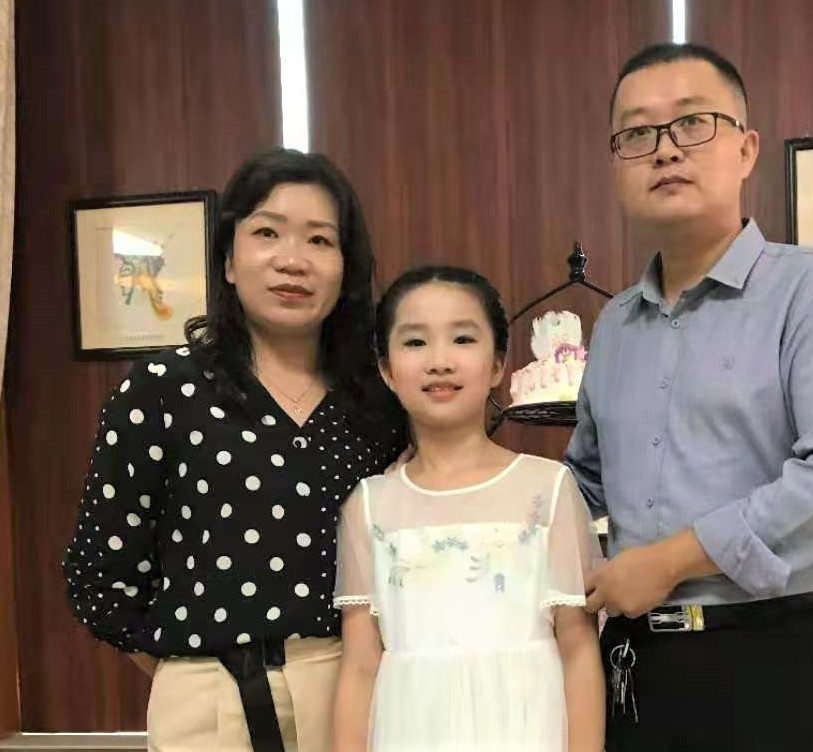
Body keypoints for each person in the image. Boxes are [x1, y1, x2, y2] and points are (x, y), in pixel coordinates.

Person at [564, 43, 813, 751]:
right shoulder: (615, 324)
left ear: (746, 150)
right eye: (637, 133)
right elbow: (585, 483)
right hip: (642, 666)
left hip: (787, 656)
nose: (664, 149)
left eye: (692, 123)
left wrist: (671, 560)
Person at [63, 147, 406, 752]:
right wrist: (192, 677)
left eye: (320, 240)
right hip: (206, 699)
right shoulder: (163, 389)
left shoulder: (380, 404)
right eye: (267, 233)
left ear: (346, 268)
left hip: (355, 691)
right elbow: (100, 575)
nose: (292, 260)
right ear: (228, 259)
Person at [332, 266, 605, 751]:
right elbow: (359, 666)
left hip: (528, 731)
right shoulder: (370, 505)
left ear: (498, 364)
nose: (440, 361)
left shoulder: (548, 488)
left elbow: (579, 649)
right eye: (415, 342)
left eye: (462, 339)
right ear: (387, 370)